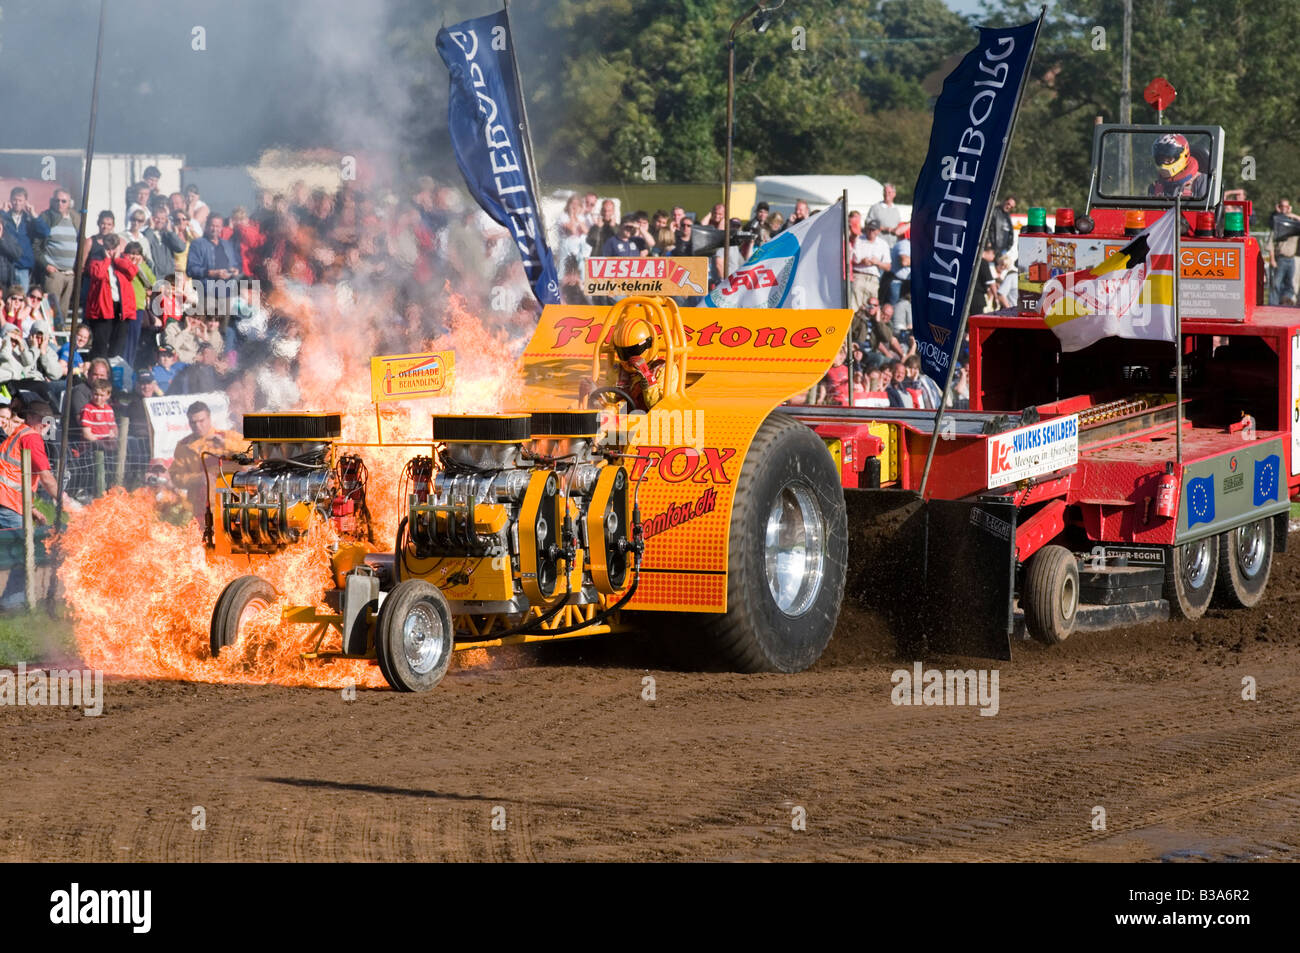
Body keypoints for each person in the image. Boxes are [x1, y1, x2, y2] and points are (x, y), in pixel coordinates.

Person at [0, 402, 81, 528]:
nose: (46, 424)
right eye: (41, 419)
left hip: (7, 501)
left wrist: (32, 510)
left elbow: (13, 475)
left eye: (49, 420)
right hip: (7, 503)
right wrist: (66, 501)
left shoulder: (20, 433)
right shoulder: (31, 437)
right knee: (17, 545)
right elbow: (45, 477)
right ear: (29, 417)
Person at [169, 400, 243, 519]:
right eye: (193, 422)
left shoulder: (227, 436)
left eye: (201, 421)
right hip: (201, 509)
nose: (197, 426)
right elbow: (176, 477)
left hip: (232, 504)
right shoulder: (183, 446)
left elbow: (253, 453)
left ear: (209, 418)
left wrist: (225, 444)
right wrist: (198, 478)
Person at [84, 233, 139, 360]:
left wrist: (117, 259)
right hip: (103, 308)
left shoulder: (123, 259)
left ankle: (115, 371)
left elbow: (132, 272)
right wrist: (108, 259)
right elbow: (97, 274)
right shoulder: (96, 258)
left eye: (113, 248)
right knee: (101, 346)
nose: (111, 251)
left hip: (122, 308)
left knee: (118, 346)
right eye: (108, 248)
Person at [35, 189, 81, 327]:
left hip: (69, 273)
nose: (60, 204)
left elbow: (80, 242)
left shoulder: (75, 218)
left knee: (63, 312)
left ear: (69, 203)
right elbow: (36, 246)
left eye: (63, 201)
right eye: (57, 200)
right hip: (54, 273)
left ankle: (59, 342)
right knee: (51, 313)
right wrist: (46, 265)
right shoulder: (46, 218)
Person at [6, 187, 50, 292]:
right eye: (14, 200)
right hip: (6, 266)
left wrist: (34, 215)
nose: (17, 203)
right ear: (10, 200)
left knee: (22, 297)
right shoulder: (4, 217)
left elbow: (45, 232)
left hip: (23, 266)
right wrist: (3, 212)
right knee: (4, 298)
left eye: (20, 200)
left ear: (25, 202)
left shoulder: (29, 219)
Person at [1148, 132, 1208, 200]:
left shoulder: (1201, 181)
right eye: (1161, 158)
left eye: (1169, 158)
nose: (1164, 162)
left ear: (1183, 155)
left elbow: (1206, 209)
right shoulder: (1155, 187)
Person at [850, 219, 891, 309]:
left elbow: (888, 267)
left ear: (878, 231)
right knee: (854, 306)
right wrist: (862, 261)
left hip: (873, 278)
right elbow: (850, 259)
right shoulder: (858, 240)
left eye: (874, 229)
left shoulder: (883, 244)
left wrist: (877, 262)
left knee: (871, 308)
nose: (871, 231)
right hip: (859, 275)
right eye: (869, 229)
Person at [1267, 199, 1300, 306]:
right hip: (1280, 258)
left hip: (1291, 258)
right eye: (1282, 206)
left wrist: (1291, 214)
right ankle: (1273, 306)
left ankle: (1286, 304)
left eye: (1287, 206)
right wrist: (1272, 259)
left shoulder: (1294, 223)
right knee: (1276, 284)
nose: (1284, 208)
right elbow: (1271, 243)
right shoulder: (1277, 223)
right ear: (1278, 207)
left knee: (1290, 285)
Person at [80, 379, 119, 454]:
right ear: (91, 393)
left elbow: (114, 428)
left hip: (108, 448)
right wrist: (101, 444)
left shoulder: (109, 410)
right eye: (96, 394)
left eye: (102, 395)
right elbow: (86, 433)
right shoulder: (88, 409)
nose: (98, 398)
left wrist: (113, 436)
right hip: (91, 449)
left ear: (108, 395)